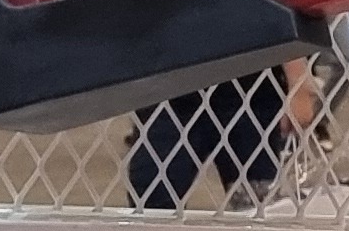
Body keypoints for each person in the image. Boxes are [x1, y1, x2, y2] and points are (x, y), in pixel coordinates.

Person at [125, 63, 312, 211]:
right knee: (152, 202)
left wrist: (299, 82)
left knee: (258, 206)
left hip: (250, 87)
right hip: (167, 86)